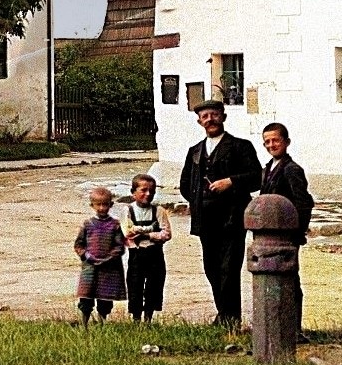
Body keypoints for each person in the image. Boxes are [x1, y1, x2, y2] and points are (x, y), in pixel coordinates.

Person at [178, 99, 262, 327]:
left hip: (232, 219)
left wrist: (231, 182)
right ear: (199, 122)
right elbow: (185, 184)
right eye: (205, 116)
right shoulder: (194, 151)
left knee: (229, 269)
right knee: (211, 268)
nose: (210, 120)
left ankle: (230, 318)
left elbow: (256, 177)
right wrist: (199, 202)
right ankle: (223, 312)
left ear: (223, 117)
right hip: (205, 222)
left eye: (214, 115)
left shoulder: (240, 146)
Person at [260, 121, 314, 339]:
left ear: (286, 142)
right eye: (267, 142)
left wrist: (298, 232)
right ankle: (279, 327)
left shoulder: (292, 170)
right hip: (272, 236)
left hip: (287, 235)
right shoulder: (268, 168)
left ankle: (295, 329)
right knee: (274, 280)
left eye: (276, 140)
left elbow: (303, 203)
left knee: (290, 280)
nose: (272, 145)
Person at [74, 186, 127, 327]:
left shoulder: (114, 224)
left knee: (105, 299)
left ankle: (102, 324)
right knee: (86, 298)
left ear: (111, 204)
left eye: (105, 204)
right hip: (89, 268)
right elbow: (79, 245)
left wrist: (109, 258)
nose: (102, 208)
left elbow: (120, 246)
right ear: (92, 205)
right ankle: (83, 325)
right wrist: (87, 256)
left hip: (109, 268)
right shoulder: (87, 224)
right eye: (99, 204)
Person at [123, 173, 172, 323]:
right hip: (136, 254)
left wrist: (146, 235)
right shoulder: (128, 211)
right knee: (135, 285)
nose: (148, 194)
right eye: (143, 190)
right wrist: (151, 231)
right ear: (133, 193)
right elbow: (128, 232)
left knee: (154, 285)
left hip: (155, 254)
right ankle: (136, 318)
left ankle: (148, 318)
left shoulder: (159, 211)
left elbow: (167, 234)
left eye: (152, 191)